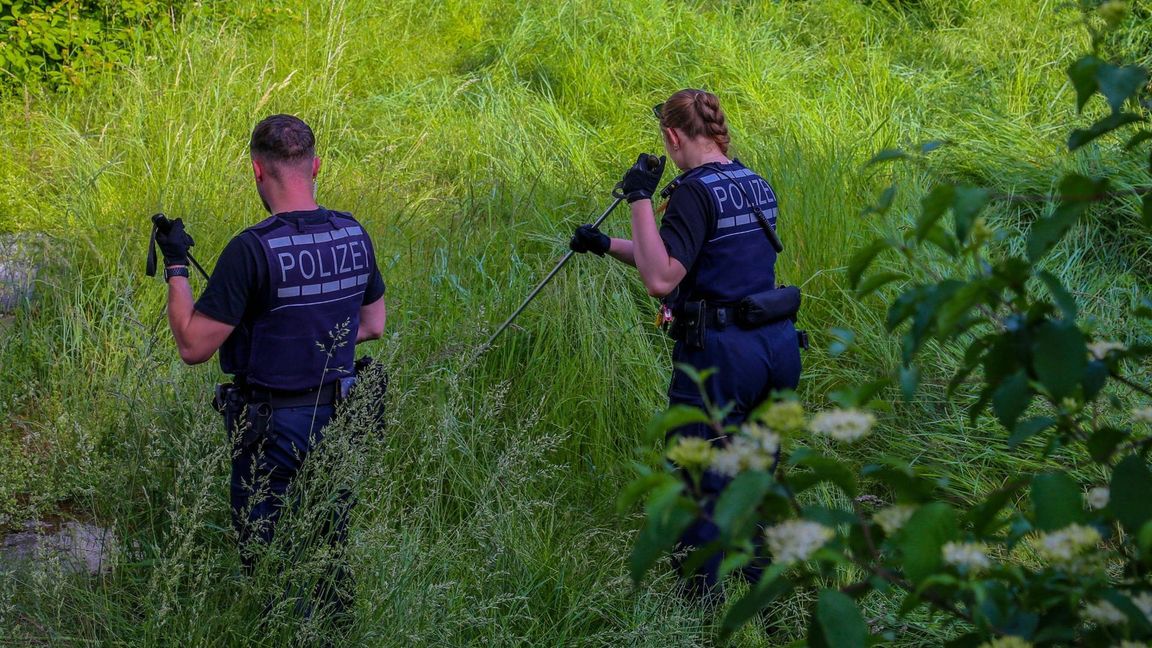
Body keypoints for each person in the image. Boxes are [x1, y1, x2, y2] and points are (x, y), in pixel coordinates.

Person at [570, 89, 802, 599]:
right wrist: (607, 245)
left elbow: (661, 278)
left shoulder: (693, 192)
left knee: (697, 480)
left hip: (723, 359)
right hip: (776, 349)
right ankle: (766, 596)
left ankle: (697, 612)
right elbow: (684, 257)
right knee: (757, 475)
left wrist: (638, 200)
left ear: (673, 136)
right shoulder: (752, 183)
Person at [153, 114, 387, 617]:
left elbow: (194, 346)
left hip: (272, 429)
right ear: (316, 166)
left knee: (267, 561)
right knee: (330, 549)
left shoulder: (251, 248)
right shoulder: (353, 233)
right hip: (342, 418)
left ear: (257, 171)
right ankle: (332, 630)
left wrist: (176, 266)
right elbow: (372, 324)